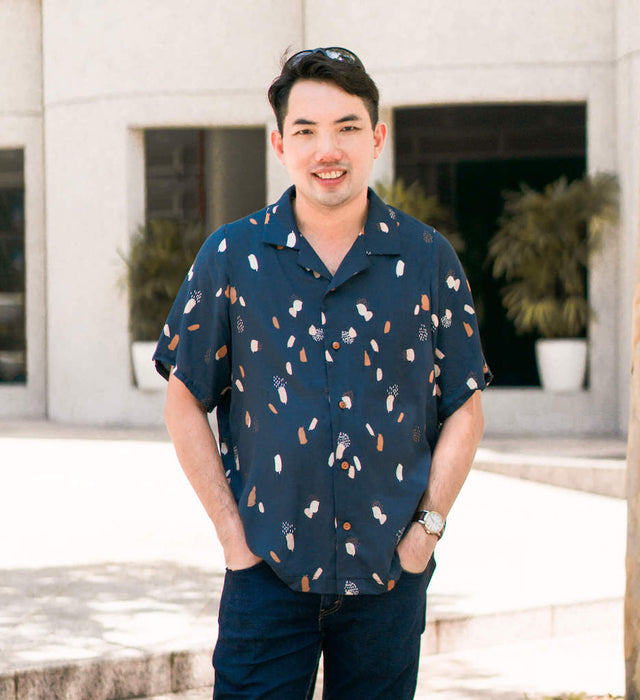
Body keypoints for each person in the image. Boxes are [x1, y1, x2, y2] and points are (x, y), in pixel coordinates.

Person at [154, 46, 491, 699]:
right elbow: (183, 399)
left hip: (389, 580)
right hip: (265, 578)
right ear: (280, 144)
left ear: (377, 138)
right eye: (306, 130)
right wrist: (233, 539)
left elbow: (465, 405)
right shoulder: (232, 257)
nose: (327, 149)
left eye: (347, 127)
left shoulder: (428, 260)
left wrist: (424, 536)